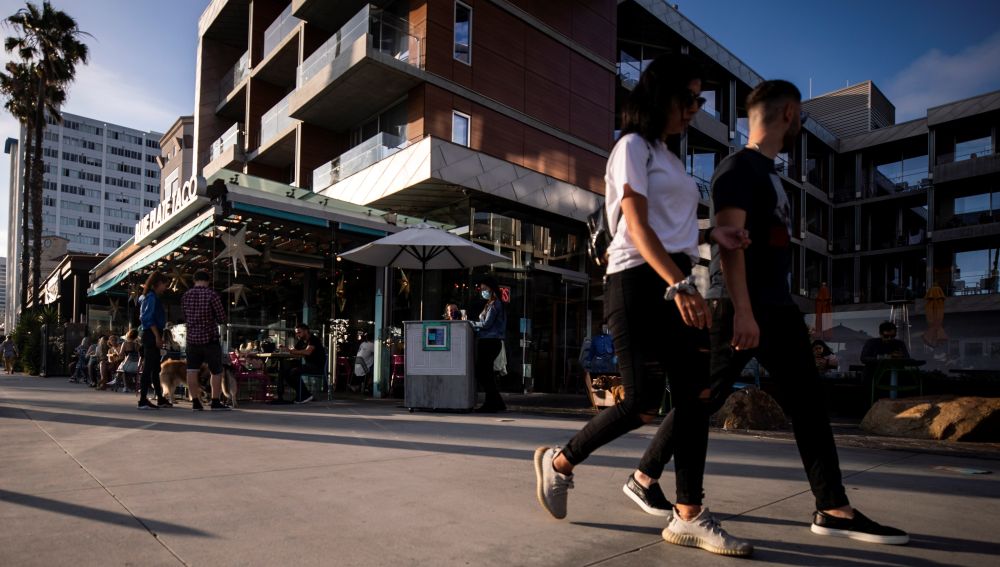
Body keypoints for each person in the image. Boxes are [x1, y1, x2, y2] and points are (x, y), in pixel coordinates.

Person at [533, 54, 754, 558]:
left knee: (696, 396)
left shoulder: (669, 157)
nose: (695, 108)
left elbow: (673, 225)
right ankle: (560, 463)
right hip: (636, 280)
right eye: (690, 98)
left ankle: (689, 515)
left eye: (700, 99)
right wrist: (679, 284)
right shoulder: (631, 147)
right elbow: (634, 223)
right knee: (639, 402)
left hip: (672, 275)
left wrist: (711, 232)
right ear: (663, 96)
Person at [696, 79, 907, 545]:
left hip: (777, 306)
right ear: (790, 113)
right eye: (802, 120)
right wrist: (745, 314)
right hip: (741, 306)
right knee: (703, 398)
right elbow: (728, 248)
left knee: (809, 403)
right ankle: (645, 476)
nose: (801, 129)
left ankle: (833, 507)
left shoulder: (770, 174)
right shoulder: (738, 169)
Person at [181, 270, 229, 411]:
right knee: (216, 371)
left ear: (194, 280)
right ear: (208, 281)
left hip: (191, 340)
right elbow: (221, 317)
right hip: (210, 339)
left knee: (192, 370)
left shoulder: (186, 296)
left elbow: (185, 317)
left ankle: (195, 402)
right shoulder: (212, 295)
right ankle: (215, 401)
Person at [472, 276, 506, 413]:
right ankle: (497, 402)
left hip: (489, 341)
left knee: (483, 372)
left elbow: (486, 324)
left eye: (484, 288)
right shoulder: (491, 303)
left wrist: (473, 324)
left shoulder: (495, 304)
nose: (482, 291)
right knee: (486, 373)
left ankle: (491, 403)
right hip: (490, 341)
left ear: (491, 288)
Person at [138, 272, 171, 409]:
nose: (165, 287)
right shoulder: (151, 297)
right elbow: (147, 318)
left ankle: (160, 398)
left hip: (151, 333)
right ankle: (143, 399)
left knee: (154, 368)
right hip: (151, 334)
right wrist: (157, 336)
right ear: (158, 283)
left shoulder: (147, 296)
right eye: (164, 284)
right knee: (149, 368)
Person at [283, 323, 325, 404]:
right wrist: (285, 349)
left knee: (294, 372)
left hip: (317, 367)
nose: (297, 334)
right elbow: (294, 352)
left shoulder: (313, 339)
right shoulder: (301, 341)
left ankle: (305, 395)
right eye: (296, 332)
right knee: (286, 372)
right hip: (308, 366)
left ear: (306, 331)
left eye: (299, 332)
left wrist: (292, 351)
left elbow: (307, 352)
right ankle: (304, 394)